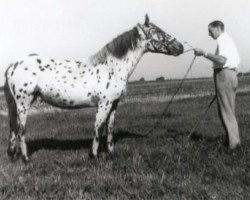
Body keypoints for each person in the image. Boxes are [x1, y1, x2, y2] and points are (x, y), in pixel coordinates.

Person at [194, 20, 241, 149]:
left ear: (218, 29)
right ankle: (231, 141)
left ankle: (234, 145)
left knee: (226, 111)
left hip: (224, 76)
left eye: (210, 30)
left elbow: (222, 59)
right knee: (225, 110)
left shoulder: (223, 40)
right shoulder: (228, 40)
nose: (209, 34)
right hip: (228, 75)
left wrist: (204, 53)